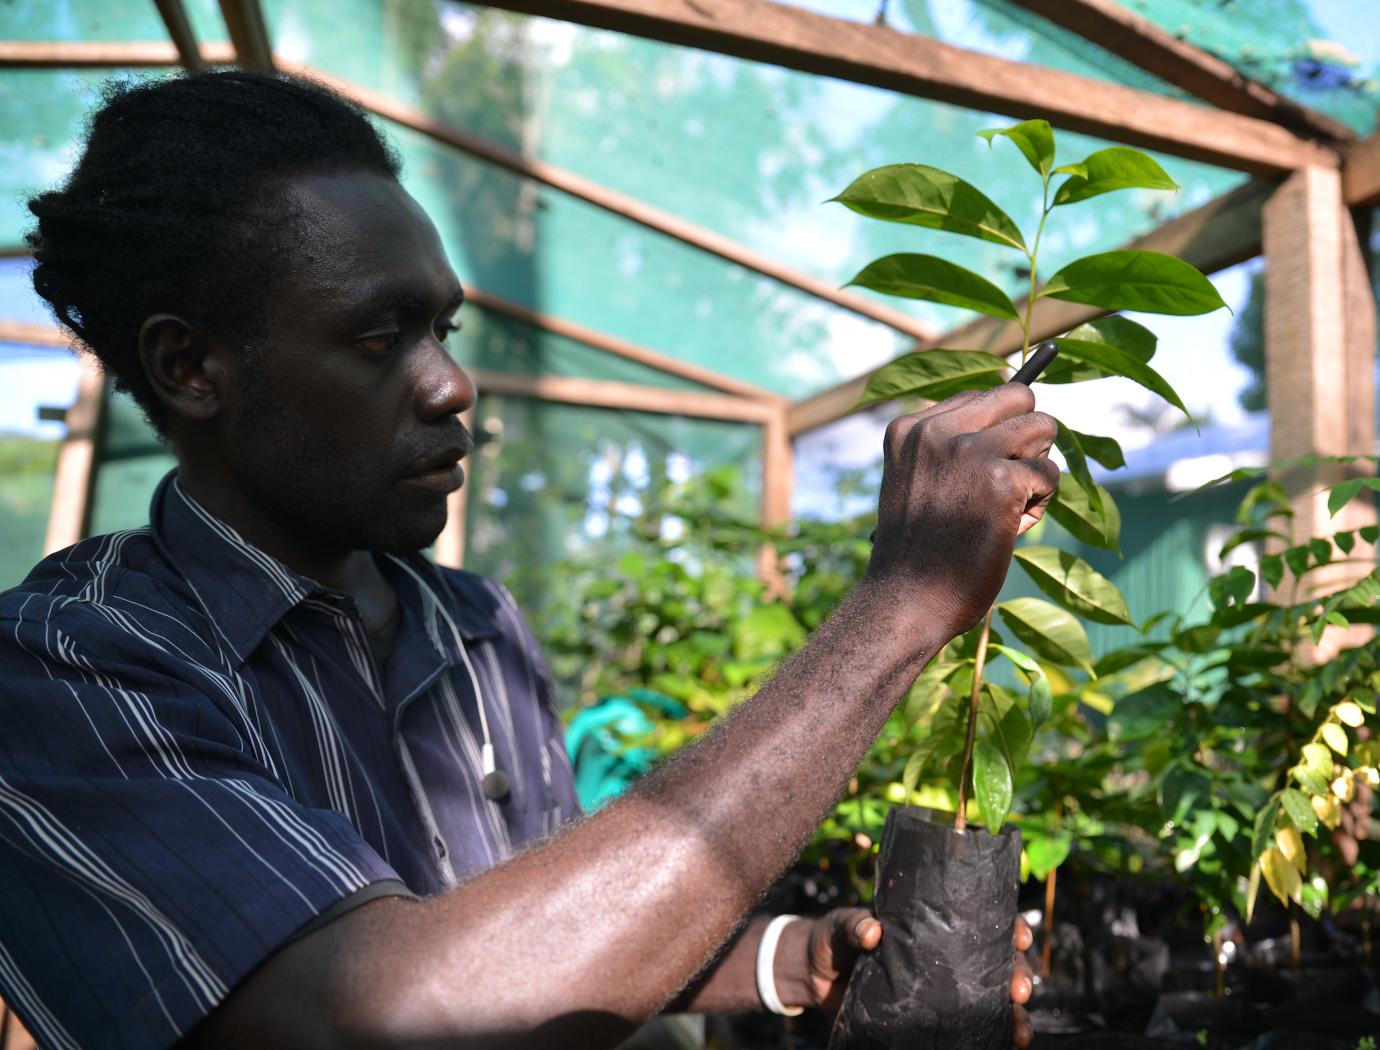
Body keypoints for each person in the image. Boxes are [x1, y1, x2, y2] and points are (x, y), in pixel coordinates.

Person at [0, 70, 1060, 1049]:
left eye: (444, 331)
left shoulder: (473, 631)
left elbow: (553, 935)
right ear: (192, 367)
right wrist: (900, 604)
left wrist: (790, 963)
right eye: (380, 339)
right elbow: (383, 1017)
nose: (451, 386)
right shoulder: (71, 669)